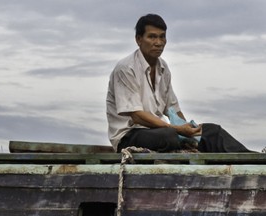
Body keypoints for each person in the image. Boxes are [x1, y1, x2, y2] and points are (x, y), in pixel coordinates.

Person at [106, 14, 252, 153]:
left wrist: (189, 129)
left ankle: (256, 159)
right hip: (129, 135)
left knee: (212, 131)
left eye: (162, 37)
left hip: (159, 131)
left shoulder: (163, 68)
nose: (158, 42)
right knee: (169, 136)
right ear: (139, 39)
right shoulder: (126, 68)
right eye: (152, 37)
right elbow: (137, 116)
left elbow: (173, 109)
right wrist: (177, 129)